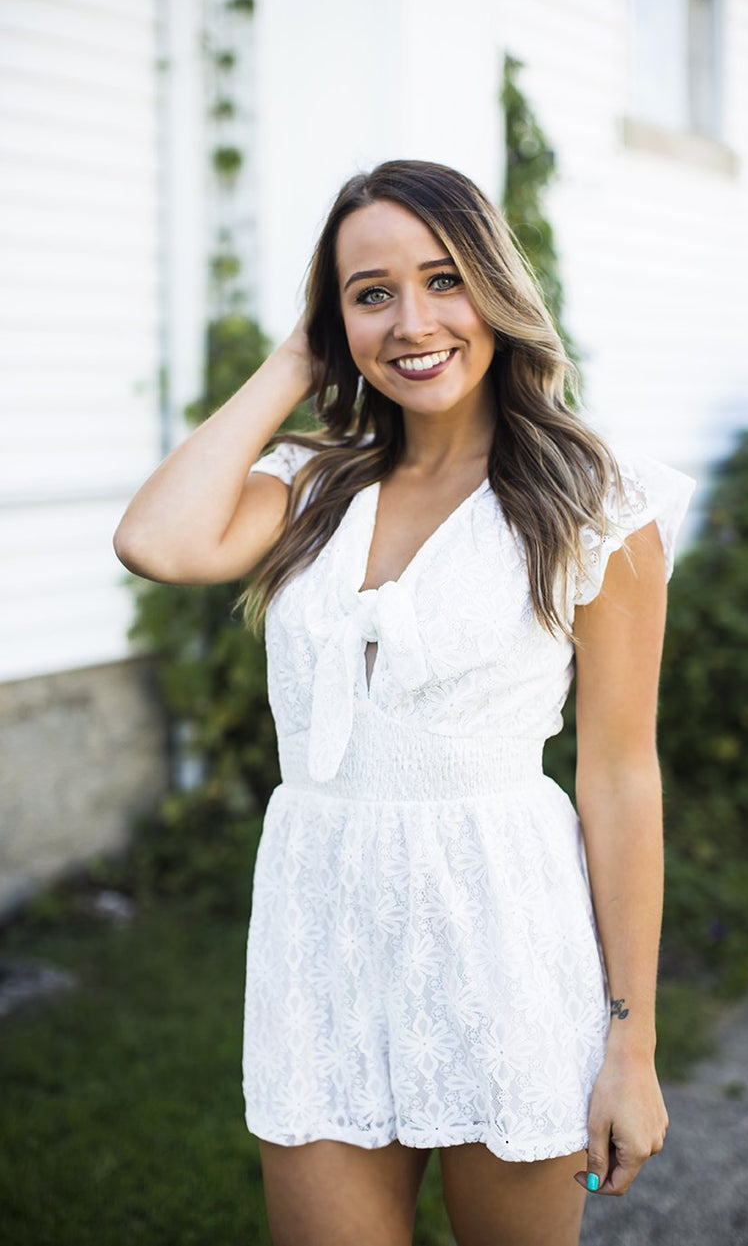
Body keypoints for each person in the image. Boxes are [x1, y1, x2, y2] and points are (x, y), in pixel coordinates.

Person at [114, 159, 695, 1246]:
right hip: (319, 937)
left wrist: (630, 1043)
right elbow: (158, 539)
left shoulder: (593, 504)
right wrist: (298, 354)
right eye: (369, 292)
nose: (412, 321)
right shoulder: (309, 485)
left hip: (503, 939)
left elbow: (618, 775)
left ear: (494, 288)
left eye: (442, 280)